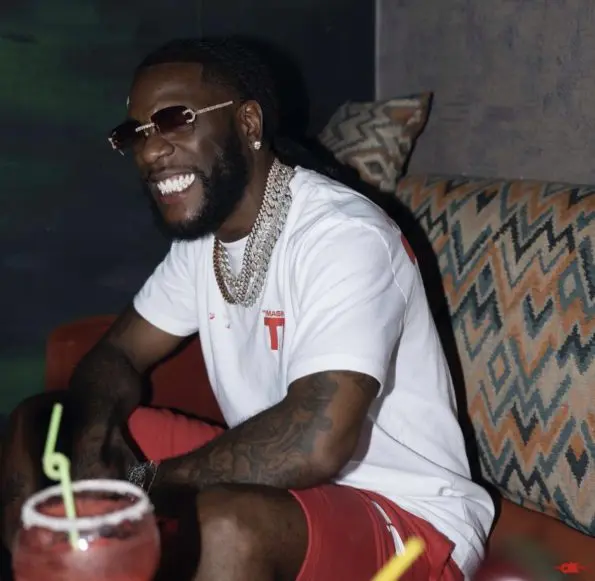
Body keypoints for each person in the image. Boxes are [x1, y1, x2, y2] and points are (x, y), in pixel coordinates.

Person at [0, 37, 494, 580]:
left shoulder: (345, 236)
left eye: (174, 120)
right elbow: (117, 353)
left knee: (226, 526)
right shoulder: (204, 243)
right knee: (45, 426)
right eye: (134, 134)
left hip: (410, 518)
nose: (150, 150)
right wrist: (94, 441)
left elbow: (317, 441)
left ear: (249, 124)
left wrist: (143, 486)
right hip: (285, 490)